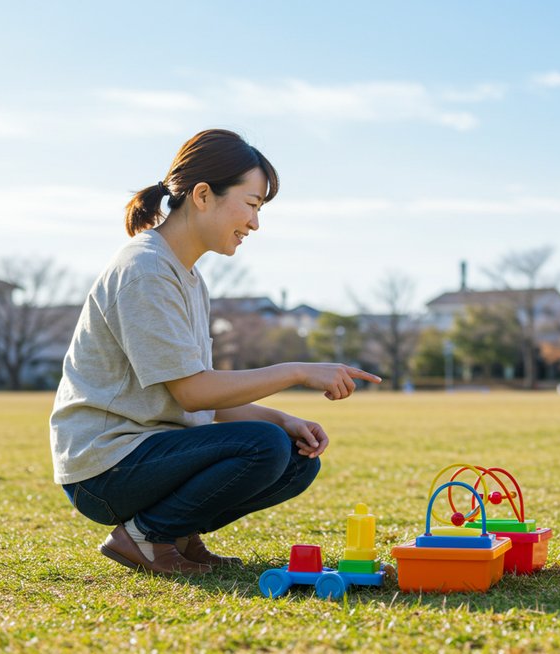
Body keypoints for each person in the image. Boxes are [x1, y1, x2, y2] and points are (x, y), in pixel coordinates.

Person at [50, 128, 381, 576]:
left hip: (151, 452)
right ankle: (146, 536)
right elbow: (193, 393)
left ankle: (177, 533)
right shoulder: (145, 269)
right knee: (263, 447)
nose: (255, 223)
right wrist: (297, 371)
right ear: (203, 195)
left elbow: (200, 395)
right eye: (251, 204)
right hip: (105, 468)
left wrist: (283, 419)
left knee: (294, 455)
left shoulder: (187, 276)